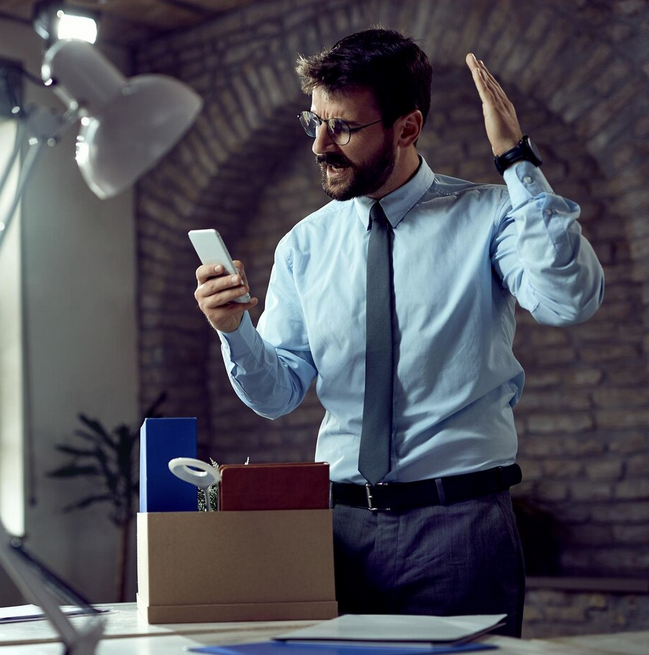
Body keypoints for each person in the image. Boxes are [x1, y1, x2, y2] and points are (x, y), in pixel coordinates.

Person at [193, 28, 604, 637]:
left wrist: (517, 159)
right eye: (315, 121)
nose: (320, 145)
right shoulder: (304, 244)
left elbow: (570, 300)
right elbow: (276, 396)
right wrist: (235, 331)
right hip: (337, 532)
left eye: (344, 128)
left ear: (407, 128)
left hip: (460, 530)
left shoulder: (490, 216)